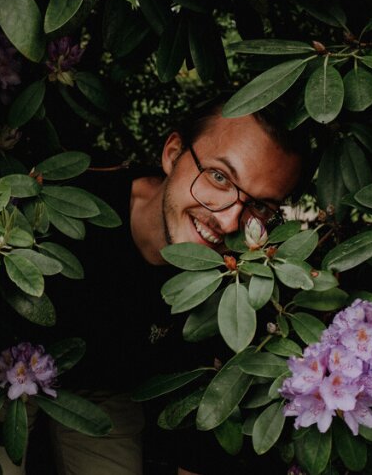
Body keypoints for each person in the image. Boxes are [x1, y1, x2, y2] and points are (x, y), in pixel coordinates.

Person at [38, 101, 308, 475]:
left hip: (101, 391)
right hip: (1, 361)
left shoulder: (236, 289)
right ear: (173, 154)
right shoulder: (72, 204)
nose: (230, 221)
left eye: (260, 206)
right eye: (219, 177)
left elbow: (197, 440)